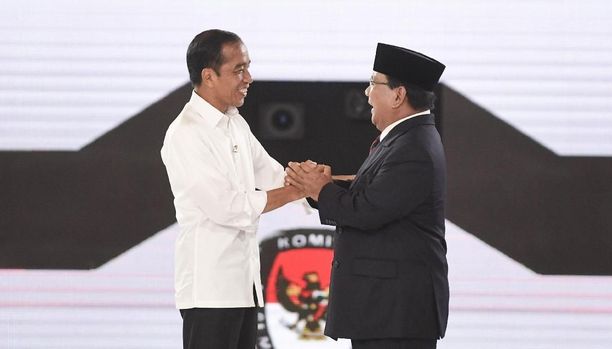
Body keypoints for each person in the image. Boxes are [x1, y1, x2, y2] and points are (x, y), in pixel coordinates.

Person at [285, 43, 449, 349]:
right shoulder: (406, 138)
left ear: (398, 95)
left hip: (396, 314)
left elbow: (368, 210)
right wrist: (319, 186)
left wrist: (321, 189)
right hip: (385, 311)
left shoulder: (413, 147)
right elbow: (375, 191)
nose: (366, 93)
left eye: (373, 83)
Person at [160, 29, 304, 349]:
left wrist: (320, 187)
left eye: (248, 67)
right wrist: (297, 191)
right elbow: (227, 207)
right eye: (238, 70)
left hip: (243, 287)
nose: (248, 78)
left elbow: (272, 174)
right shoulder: (186, 134)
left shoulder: (235, 122)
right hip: (208, 292)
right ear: (208, 76)